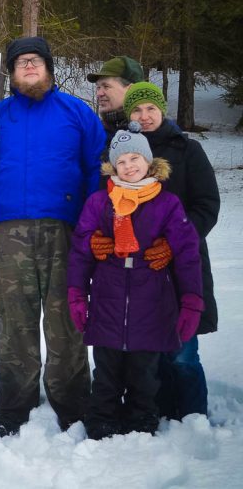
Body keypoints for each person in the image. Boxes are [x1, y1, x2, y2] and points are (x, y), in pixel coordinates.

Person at [0, 36, 105, 437]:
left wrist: (92, 224)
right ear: (10, 72)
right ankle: (15, 403)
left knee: (66, 320)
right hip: (11, 233)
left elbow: (96, 169)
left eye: (35, 60)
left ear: (49, 68)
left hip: (67, 231)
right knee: (15, 321)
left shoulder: (77, 112)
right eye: (20, 61)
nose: (28, 66)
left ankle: (73, 401)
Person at [67, 124, 202, 439]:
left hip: (151, 303)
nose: (129, 166)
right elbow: (80, 250)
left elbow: (187, 253)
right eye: (122, 161)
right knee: (107, 373)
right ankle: (101, 420)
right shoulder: (100, 202)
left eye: (135, 158)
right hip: (107, 300)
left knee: (145, 374)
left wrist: (192, 300)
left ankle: (142, 421)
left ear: (148, 161)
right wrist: (77, 293)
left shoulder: (166, 204)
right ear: (113, 166)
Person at [120, 82, 219, 419]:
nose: (144, 116)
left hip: (182, 263)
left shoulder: (188, 150)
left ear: (162, 110)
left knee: (183, 348)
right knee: (149, 347)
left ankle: (192, 416)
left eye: (150, 108)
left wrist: (175, 240)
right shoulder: (122, 152)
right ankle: (160, 410)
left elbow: (207, 204)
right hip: (139, 265)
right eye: (136, 109)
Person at [87, 56, 144, 148]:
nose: (99, 94)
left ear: (130, 90)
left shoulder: (153, 132)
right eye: (98, 87)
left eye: (106, 86)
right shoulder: (96, 133)